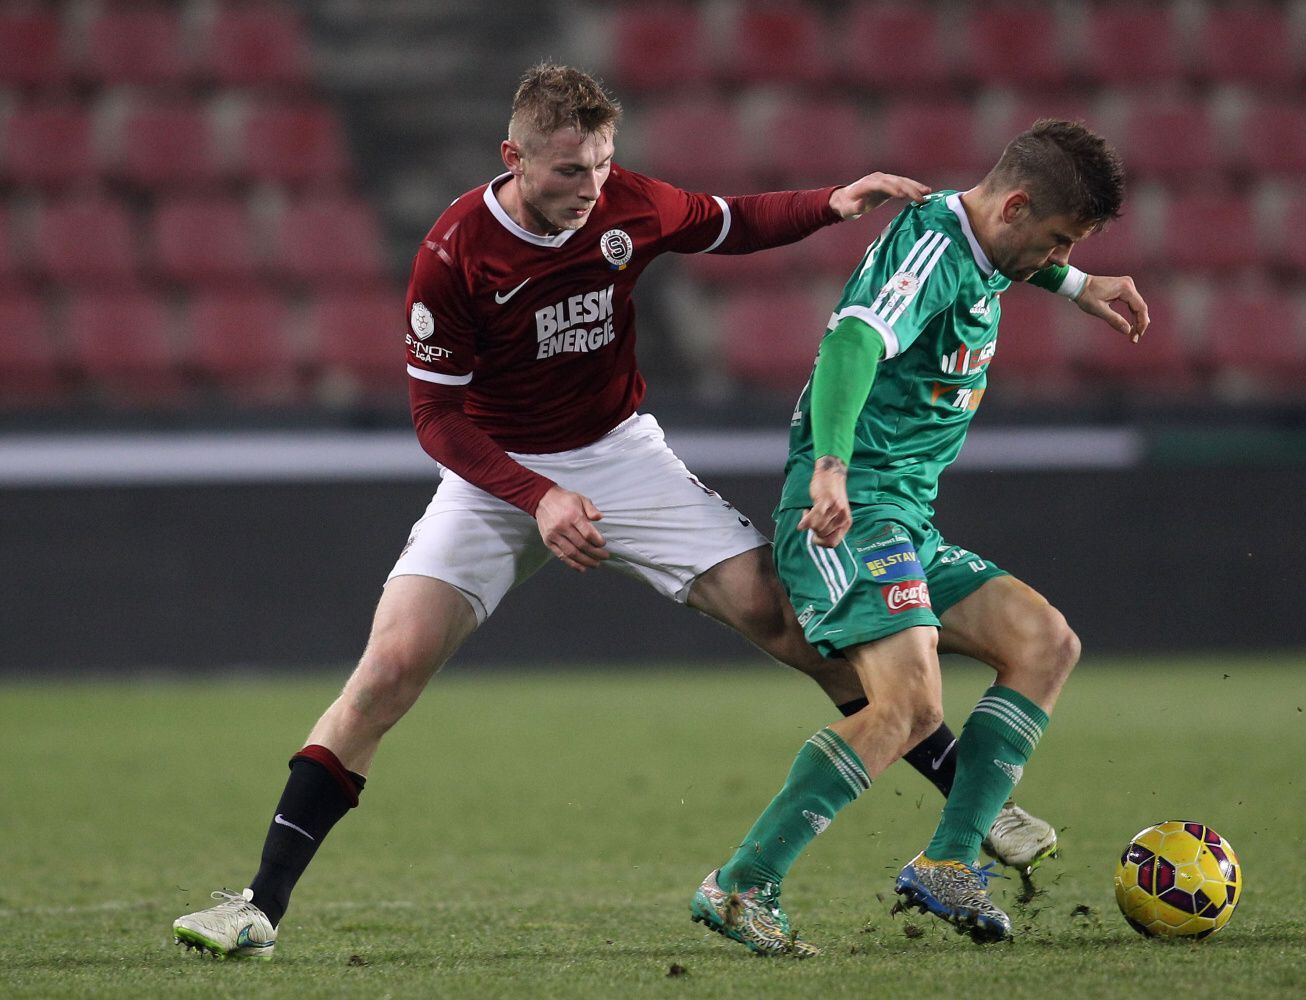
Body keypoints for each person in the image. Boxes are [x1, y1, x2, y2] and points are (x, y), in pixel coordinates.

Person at [170, 64, 1057, 960]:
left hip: (622, 457)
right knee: (387, 672)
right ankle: (259, 906)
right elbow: (435, 417)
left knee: (792, 626)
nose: (589, 188)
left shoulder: (625, 203)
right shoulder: (455, 251)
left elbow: (728, 222)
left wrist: (832, 201)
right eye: (566, 171)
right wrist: (540, 494)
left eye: (599, 165)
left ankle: (967, 805)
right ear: (512, 157)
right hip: (495, 470)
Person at [691, 119, 1148, 957]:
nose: (1054, 256)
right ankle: (742, 884)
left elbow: (998, 256)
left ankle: (948, 861)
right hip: (851, 509)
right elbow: (855, 338)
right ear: (1015, 206)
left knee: (1045, 643)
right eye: (1054, 240)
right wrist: (831, 467)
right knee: (910, 707)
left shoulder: (978, 237)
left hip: (903, 516)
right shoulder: (934, 252)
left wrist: (1077, 283)